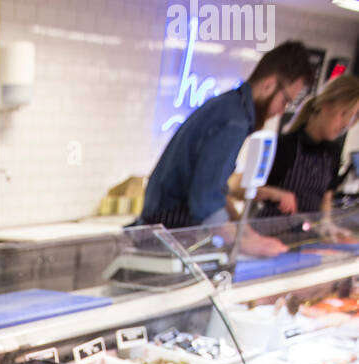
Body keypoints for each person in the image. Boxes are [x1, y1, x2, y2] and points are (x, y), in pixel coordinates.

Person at [141, 41, 315, 257]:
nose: (281, 112)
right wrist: (247, 244)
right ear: (269, 84)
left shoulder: (230, 107)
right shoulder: (234, 122)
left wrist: (246, 232)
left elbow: (217, 190)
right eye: (285, 101)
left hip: (168, 234)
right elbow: (206, 201)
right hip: (166, 237)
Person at [228, 73, 359, 241]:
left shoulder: (333, 152)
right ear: (326, 106)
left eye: (354, 118)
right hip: (266, 238)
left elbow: (326, 198)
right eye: (345, 114)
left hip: (305, 241)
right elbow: (235, 186)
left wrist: (327, 224)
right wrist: (275, 194)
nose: (346, 124)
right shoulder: (284, 146)